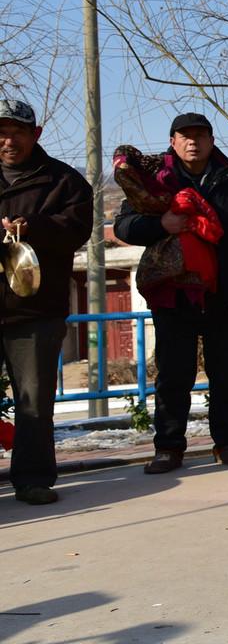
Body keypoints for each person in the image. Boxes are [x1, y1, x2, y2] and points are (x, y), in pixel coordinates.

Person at [114, 113, 228, 473]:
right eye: (185, 136)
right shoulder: (153, 178)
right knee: (173, 374)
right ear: (172, 141)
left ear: (212, 141)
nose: (192, 142)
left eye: (200, 136)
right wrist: (159, 224)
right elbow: (123, 225)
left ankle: (227, 442)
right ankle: (168, 447)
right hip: (175, 292)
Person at [0, 98, 93, 505]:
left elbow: (77, 229)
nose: (8, 141)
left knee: (34, 401)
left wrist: (33, 228)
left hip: (36, 310)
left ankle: (33, 478)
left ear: (35, 135)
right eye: (1, 133)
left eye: (17, 132)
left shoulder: (64, 181)